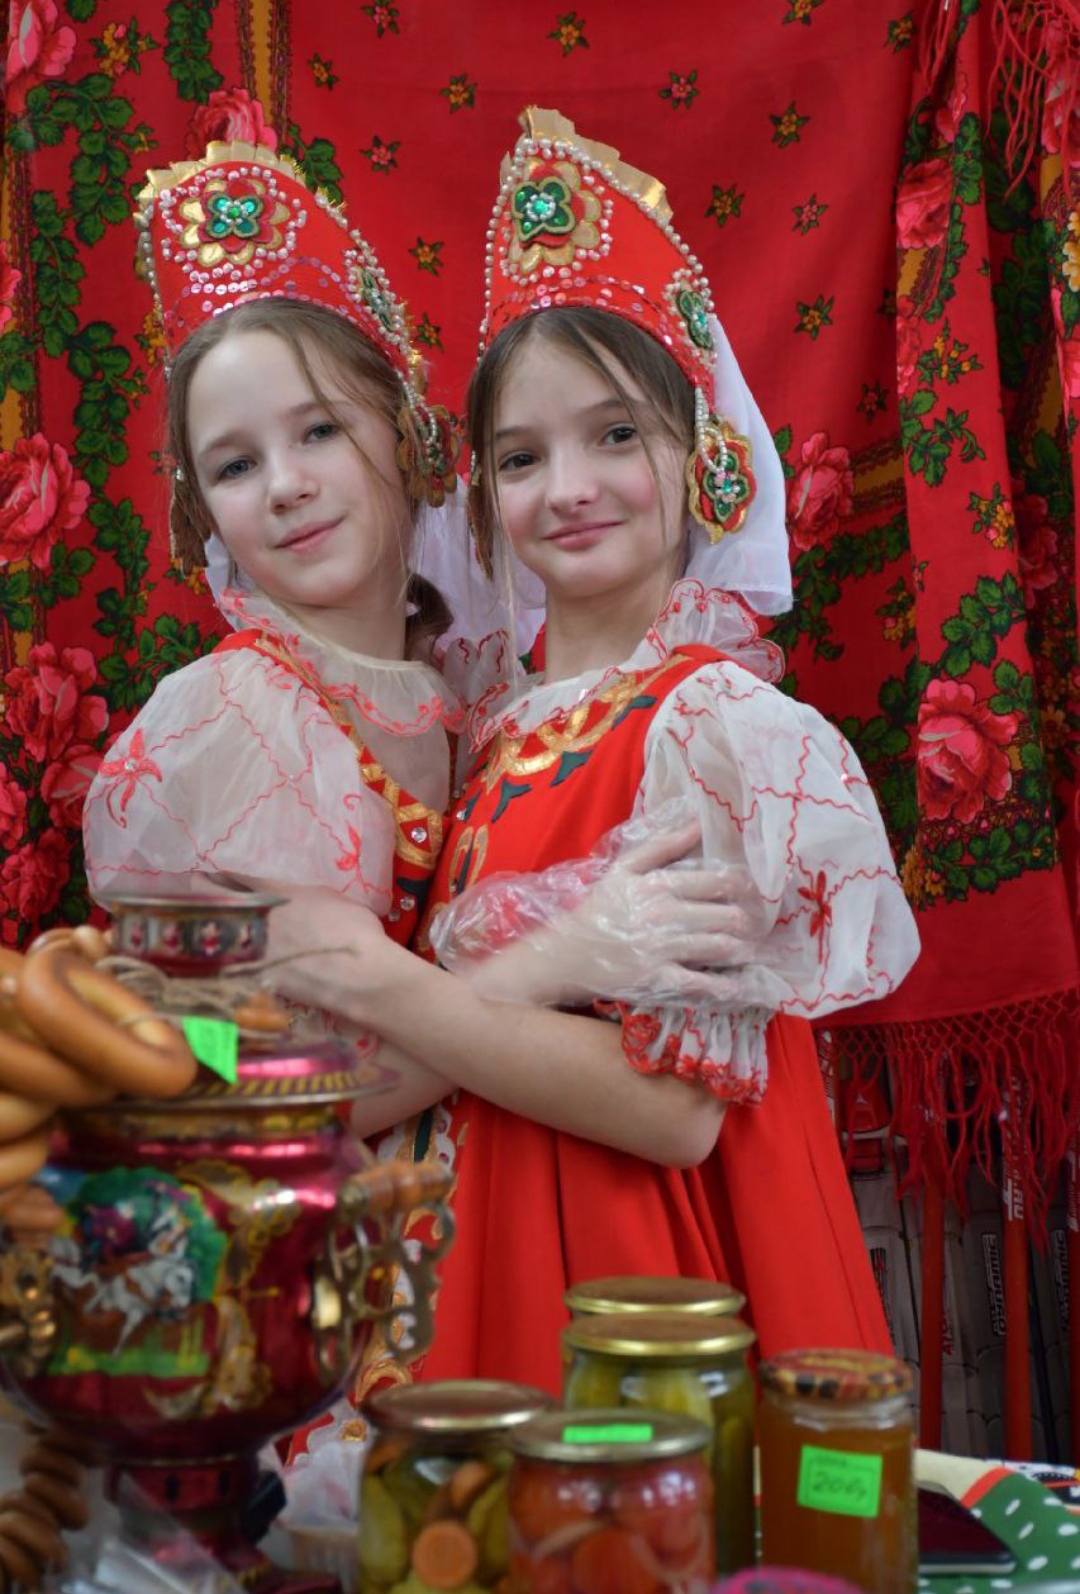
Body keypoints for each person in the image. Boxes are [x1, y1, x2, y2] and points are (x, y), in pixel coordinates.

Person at [265, 108, 921, 1395]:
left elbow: (675, 1113)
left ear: (703, 456)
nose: (568, 485)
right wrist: (515, 974)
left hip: (642, 1282)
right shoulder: (483, 733)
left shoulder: (719, 732)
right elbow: (339, 1100)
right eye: (523, 455)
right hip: (469, 1259)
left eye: (617, 434)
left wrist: (393, 988)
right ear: (484, 495)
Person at [83, 141, 739, 1118]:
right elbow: (215, 1087)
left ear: (410, 436)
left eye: (319, 431)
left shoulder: (472, 697)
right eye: (235, 466)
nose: (286, 485)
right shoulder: (233, 722)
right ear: (202, 514)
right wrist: (550, 959)